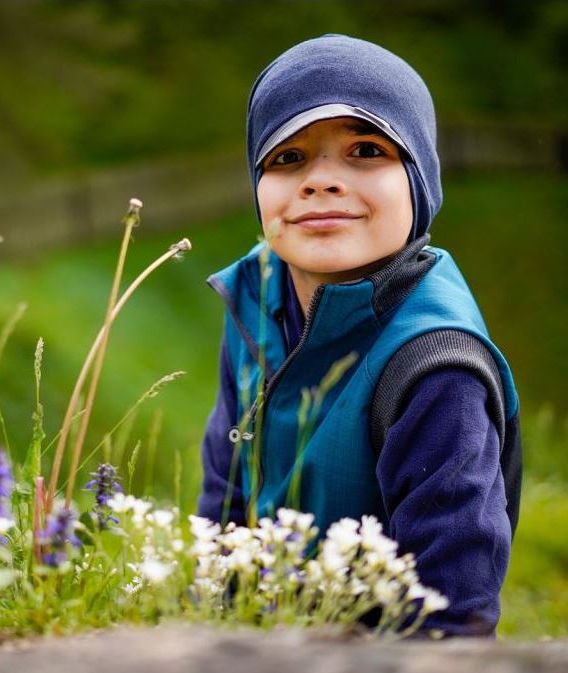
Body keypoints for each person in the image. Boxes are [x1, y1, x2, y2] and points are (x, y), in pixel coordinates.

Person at [196, 34, 522, 637]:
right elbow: (223, 509)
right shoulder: (254, 300)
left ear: (418, 181)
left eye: (366, 150)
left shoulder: (433, 365)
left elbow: (451, 619)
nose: (321, 181)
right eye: (287, 157)